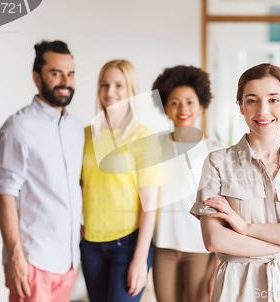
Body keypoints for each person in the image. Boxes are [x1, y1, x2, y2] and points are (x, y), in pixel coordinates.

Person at [190, 63, 280, 302]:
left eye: (273, 100)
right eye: (252, 100)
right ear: (240, 107)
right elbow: (215, 239)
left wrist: (245, 228)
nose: (263, 111)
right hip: (238, 288)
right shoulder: (217, 162)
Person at [0, 40, 83, 302]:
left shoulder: (76, 128)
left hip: (68, 261)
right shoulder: (18, 127)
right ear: (37, 77)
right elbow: (5, 194)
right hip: (33, 259)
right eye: (56, 73)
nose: (65, 81)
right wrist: (14, 256)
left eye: (71, 73)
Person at [80, 59, 161, 302]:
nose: (110, 92)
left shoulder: (144, 138)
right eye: (104, 85)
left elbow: (150, 204)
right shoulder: (85, 135)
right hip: (91, 245)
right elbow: (80, 185)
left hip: (127, 245)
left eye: (118, 85)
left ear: (131, 91)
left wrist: (140, 258)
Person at [151, 65, 223, 302]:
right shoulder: (153, 146)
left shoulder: (215, 150)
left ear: (201, 106)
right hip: (163, 246)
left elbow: (222, 210)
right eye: (175, 102)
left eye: (190, 102)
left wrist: (217, 265)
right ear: (165, 108)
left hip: (200, 248)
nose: (183, 108)